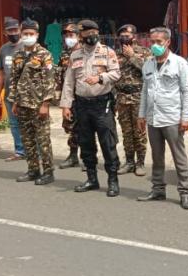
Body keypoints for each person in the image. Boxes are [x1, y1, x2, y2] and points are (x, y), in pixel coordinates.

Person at [60, 19, 123, 197]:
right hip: (82, 105)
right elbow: (69, 82)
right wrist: (66, 105)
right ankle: (91, 179)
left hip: (102, 105)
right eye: (86, 34)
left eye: (93, 33)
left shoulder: (107, 52)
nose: (90, 37)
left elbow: (116, 73)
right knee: (86, 143)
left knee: (108, 143)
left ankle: (112, 180)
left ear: (97, 33)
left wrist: (100, 78)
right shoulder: (75, 55)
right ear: (81, 35)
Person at [136, 27, 188, 210]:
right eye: (152, 42)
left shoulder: (180, 63)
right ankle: (158, 189)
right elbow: (145, 91)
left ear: (168, 42)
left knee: (179, 157)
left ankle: (185, 193)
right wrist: (141, 115)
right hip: (153, 118)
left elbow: (186, 91)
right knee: (157, 156)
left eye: (158, 42)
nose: (154, 45)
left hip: (172, 118)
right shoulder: (148, 64)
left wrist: (186, 117)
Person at [8, 20, 56, 185]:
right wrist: (14, 102)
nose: (28, 36)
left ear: (37, 35)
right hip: (22, 105)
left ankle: (48, 172)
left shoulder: (44, 55)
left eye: (31, 34)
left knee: (43, 140)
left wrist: (45, 104)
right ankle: (33, 170)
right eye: (25, 34)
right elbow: (14, 79)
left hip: (38, 105)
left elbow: (49, 81)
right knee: (27, 140)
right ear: (21, 35)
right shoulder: (18, 55)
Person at [114, 24, 151, 176]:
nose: (124, 37)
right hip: (122, 98)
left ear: (134, 37)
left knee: (139, 132)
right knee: (126, 132)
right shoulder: (116, 54)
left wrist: (132, 56)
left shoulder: (144, 52)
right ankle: (129, 162)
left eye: (127, 35)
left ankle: (140, 163)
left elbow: (149, 71)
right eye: (122, 35)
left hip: (138, 98)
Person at [0, 18, 26, 161]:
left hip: (26, 94)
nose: (13, 33)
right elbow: (1, 72)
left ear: (20, 30)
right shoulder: (3, 49)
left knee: (29, 123)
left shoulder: (27, 47)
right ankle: (20, 151)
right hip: (9, 94)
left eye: (15, 30)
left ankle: (35, 151)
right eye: (10, 31)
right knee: (14, 124)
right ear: (5, 32)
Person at [56, 21, 83, 171]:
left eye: (71, 35)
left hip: (83, 97)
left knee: (86, 127)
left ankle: (87, 158)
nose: (68, 38)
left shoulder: (86, 52)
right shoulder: (64, 54)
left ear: (79, 36)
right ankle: (73, 156)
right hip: (69, 98)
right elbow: (61, 77)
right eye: (66, 35)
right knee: (71, 127)